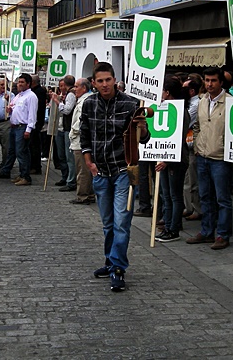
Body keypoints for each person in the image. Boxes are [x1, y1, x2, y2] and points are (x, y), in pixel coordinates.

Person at [80, 62, 150, 292]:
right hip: (100, 171)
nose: (104, 84)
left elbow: (144, 139)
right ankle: (110, 261)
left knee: (122, 222)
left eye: (108, 80)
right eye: (100, 81)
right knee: (108, 224)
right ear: (94, 83)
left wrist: (143, 127)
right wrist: (89, 163)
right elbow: (85, 135)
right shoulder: (89, 104)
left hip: (123, 170)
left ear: (114, 79)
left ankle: (118, 268)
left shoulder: (130, 103)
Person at [188, 67, 232, 250]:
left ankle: (222, 234)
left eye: (213, 80)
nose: (209, 84)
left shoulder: (230, 102)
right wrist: (197, 145)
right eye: (207, 80)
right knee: (205, 196)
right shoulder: (202, 101)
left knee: (222, 198)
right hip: (203, 155)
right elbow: (196, 125)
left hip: (220, 157)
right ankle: (206, 231)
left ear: (220, 82)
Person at [154, 77, 190, 243]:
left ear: (167, 92)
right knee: (166, 195)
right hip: (164, 158)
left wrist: (166, 160)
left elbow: (177, 137)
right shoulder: (165, 108)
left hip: (175, 159)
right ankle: (168, 225)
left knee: (174, 196)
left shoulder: (180, 111)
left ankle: (173, 228)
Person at [0, 73, 38, 186]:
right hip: (14, 127)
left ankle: (26, 176)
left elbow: (32, 114)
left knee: (22, 152)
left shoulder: (31, 96)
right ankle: (21, 174)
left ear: (28, 84)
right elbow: (13, 107)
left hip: (23, 127)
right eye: (19, 82)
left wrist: (29, 129)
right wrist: (9, 109)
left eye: (22, 82)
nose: (19, 84)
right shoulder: (19, 95)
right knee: (13, 151)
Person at [69, 77, 95, 205]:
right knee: (85, 170)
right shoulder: (85, 100)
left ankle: (83, 195)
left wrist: (73, 133)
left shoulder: (85, 101)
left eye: (76, 86)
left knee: (82, 170)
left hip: (80, 141)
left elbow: (80, 122)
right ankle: (89, 193)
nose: (74, 89)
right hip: (81, 140)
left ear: (84, 88)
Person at [182, 74, 203, 221]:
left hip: (191, 144)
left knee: (191, 179)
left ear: (191, 91)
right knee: (187, 179)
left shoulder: (195, 105)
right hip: (187, 144)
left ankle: (194, 208)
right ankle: (188, 206)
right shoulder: (190, 103)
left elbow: (186, 121)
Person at [53, 75, 77, 192]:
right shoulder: (67, 94)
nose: (60, 88)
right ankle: (65, 176)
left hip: (68, 128)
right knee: (61, 155)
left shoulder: (71, 94)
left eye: (62, 85)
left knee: (69, 157)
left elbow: (67, 110)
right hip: (61, 128)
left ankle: (71, 180)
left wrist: (58, 102)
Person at [29, 74, 48, 175]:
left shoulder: (39, 91)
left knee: (34, 144)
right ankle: (33, 165)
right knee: (32, 144)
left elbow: (38, 108)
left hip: (36, 121)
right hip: (34, 120)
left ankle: (36, 166)